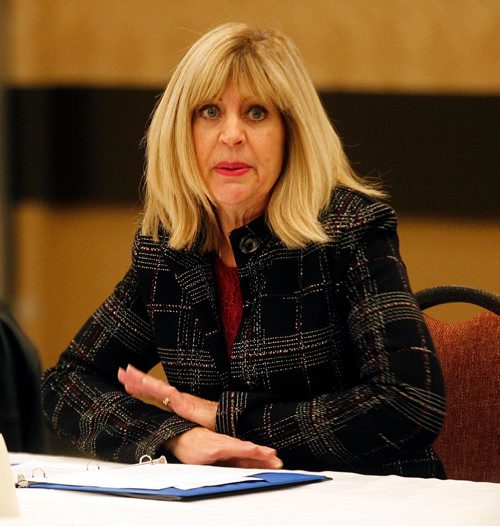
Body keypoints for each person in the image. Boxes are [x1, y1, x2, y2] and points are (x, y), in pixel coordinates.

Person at [41, 22, 446, 477]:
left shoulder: (347, 230)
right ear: (183, 130)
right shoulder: (169, 250)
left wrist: (228, 418)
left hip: (369, 502)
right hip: (230, 505)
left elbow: (409, 403)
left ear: (291, 131)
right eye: (210, 111)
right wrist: (178, 437)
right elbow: (67, 383)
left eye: (256, 113)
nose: (231, 135)